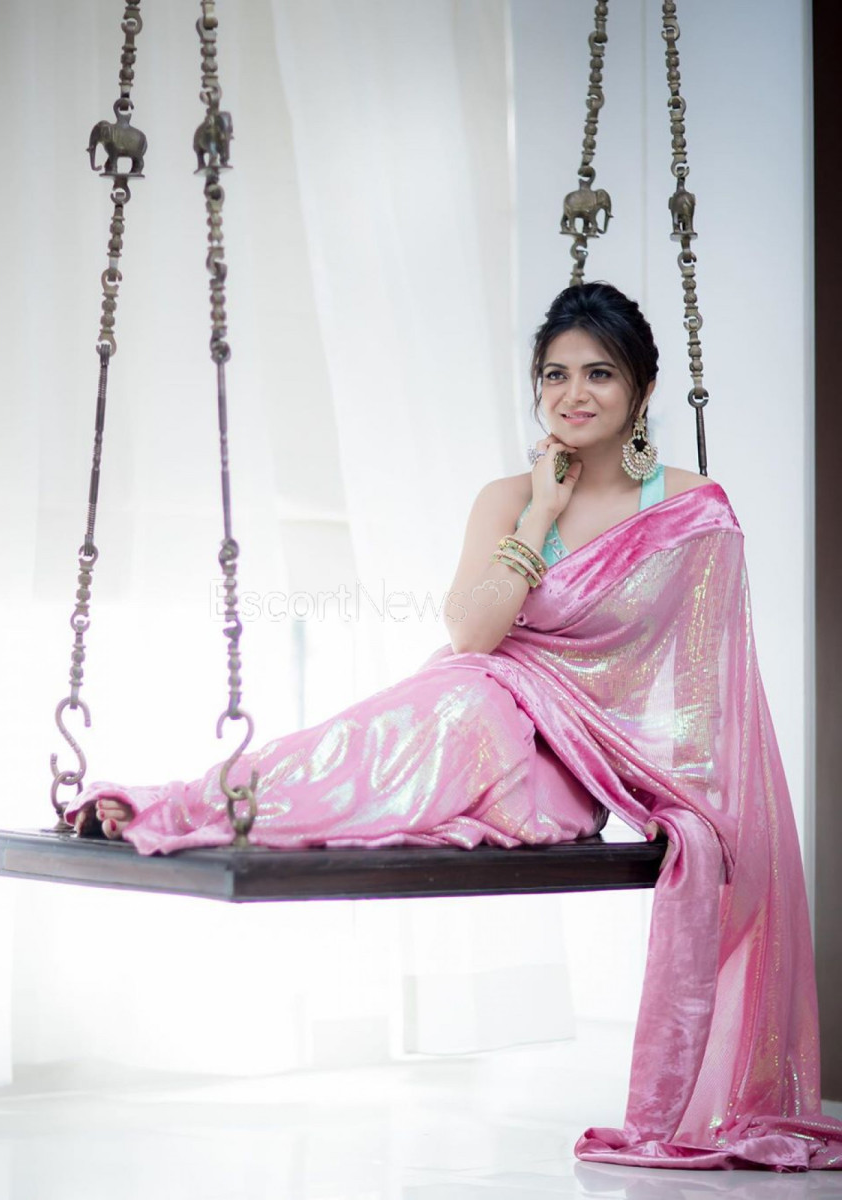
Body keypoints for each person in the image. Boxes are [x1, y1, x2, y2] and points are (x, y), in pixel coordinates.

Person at [67, 282, 842, 1172]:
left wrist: (687, 806)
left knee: (456, 724)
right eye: (554, 374)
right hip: (484, 704)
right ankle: (192, 806)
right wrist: (540, 514)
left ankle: (199, 807)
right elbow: (473, 634)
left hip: (581, 767)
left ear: (643, 389)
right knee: (393, 734)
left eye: (599, 374)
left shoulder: (692, 509)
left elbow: (707, 688)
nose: (573, 394)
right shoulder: (507, 498)